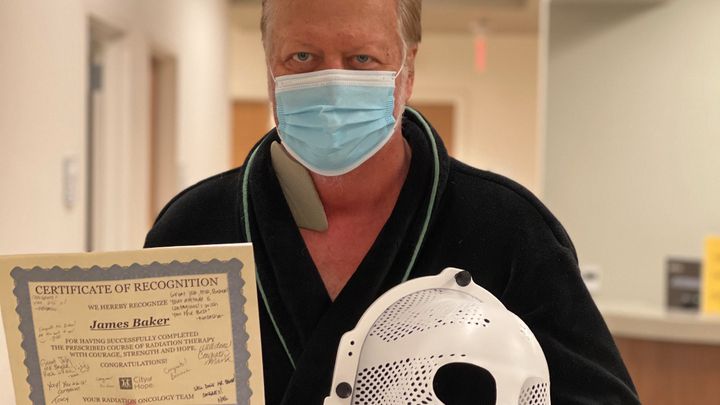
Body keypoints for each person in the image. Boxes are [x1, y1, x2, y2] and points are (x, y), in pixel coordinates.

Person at [145, 0, 641, 403]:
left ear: (408, 70)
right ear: (269, 65)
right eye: (302, 57)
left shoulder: (508, 230)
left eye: (362, 59)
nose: (332, 84)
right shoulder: (194, 229)